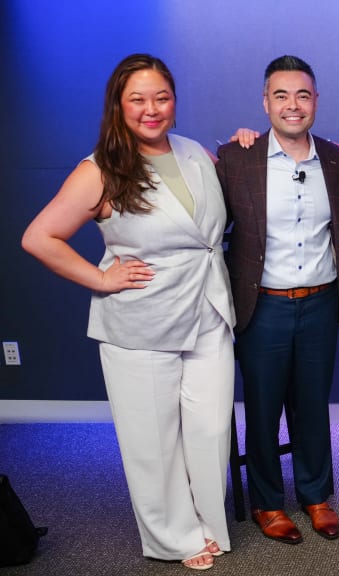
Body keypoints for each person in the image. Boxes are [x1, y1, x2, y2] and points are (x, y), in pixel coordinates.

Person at [22, 54, 235, 571]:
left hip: (208, 312)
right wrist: (100, 277)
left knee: (209, 432)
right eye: (137, 99)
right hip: (141, 321)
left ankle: (208, 523)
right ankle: (174, 538)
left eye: (161, 97)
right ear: (118, 106)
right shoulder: (99, 170)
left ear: (175, 101)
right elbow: (38, 237)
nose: (152, 109)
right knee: (153, 442)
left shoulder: (196, 154)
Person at [216, 55, 339, 544]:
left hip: (318, 302)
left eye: (302, 95)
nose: (292, 105)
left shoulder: (337, 160)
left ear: (316, 101)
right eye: (281, 95)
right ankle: (268, 504)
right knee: (264, 407)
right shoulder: (235, 158)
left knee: (312, 405)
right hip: (263, 306)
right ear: (265, 102)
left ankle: (315, 495)